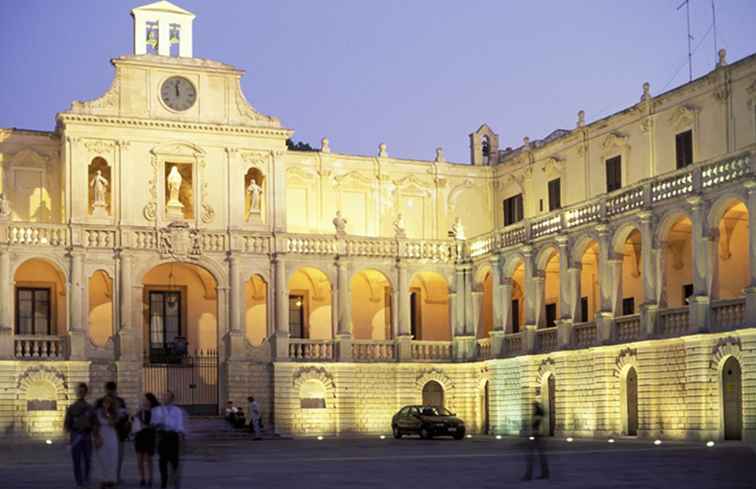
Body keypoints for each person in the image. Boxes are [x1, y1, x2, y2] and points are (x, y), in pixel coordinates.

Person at [96, 382, 129, 484]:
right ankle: (110, 477)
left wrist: (116, 419)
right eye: (109, 389)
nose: (110, 392)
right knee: (110, 457)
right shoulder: (100, 402)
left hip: (117, 433)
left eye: (111, 389)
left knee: (116, 457)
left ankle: (114, 477)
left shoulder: (119, 401)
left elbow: (125, 416)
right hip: (107, 433)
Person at [152, 391, 186, 489]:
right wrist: (157, 425)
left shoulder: (177, 410)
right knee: (162, 460)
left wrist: (181, 437)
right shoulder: (157, 410)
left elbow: (179, 425)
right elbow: (154, 423)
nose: (164, 398)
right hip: (162, 436)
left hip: (173, 437)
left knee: (174, 461)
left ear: (172, 399)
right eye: (163, 396)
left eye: (166, 396)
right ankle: (163, 483)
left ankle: (175, 482)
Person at [64, 382, 95, 488]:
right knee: (76, 461)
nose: (80, 393)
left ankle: (86, 479)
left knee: (87, 459)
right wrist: (68, 438)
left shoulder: (90, 408)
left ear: (85, 392)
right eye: (79, 391)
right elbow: (67, 424)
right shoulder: (71, 408)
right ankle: (79, 482)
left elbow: (94, 423)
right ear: (76, 393)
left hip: (86, 436)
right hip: (75, 435)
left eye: (82, 391)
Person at [93, 395, 123, 488]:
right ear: (102, 403)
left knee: (112, 458)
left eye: (109, 402)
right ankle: (102, 479)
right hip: (101, 434)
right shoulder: (97, 412)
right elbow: (95, 425)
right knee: (102, 458)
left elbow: (113, 423)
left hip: (111, 435)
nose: (107, 404)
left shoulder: (114, 413)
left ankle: (111, 479)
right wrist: (97, 437)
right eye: (105, 402)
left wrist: (108, 414)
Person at [134, 393, 160, 487]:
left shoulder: (155, 411)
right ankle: (142, 478)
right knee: (139, 460)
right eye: (143, 400)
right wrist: (135, 417)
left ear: (150, 401)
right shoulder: (140, 411)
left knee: (148, 459)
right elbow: (133, 421)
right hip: (139, 436)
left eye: (146, 400)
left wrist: (147, 426)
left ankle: (150, 479)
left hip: (149, 436)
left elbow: (156, 425)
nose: (144, 401)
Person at [522, 401, 550, 481]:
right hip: (537, 436)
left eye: (533, 406)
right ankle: (545, 473)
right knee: (541, 456)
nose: (532, 408)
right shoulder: (539, 413)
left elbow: (535, 424)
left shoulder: (538, 414)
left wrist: (530, 430)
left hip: (536, 436)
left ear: (535, 406)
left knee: (531, 456)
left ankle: (529, 475)